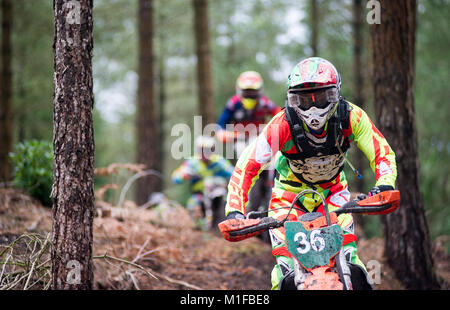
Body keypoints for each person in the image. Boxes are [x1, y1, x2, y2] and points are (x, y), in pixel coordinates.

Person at [219, 57, 397, 289]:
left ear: (336, 93)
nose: (313, 107)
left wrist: (385, 184)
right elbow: (247, 166)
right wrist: (234, 211)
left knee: (351, 261)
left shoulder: (351, 116)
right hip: (288, 196)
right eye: (303, 99)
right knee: (285, 268)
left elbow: (381, 152)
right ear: (292, 99)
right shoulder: (281, 124)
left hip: (334, 194)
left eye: (321, 97)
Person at [216, 71, 281, 219]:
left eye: (253, 93)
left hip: (262, 141)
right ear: (240, 91)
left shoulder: (265, 103)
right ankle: (237, 201)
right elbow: (220, 127)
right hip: (242, 142)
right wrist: (229, 135)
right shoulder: (233, 104)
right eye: (247, 92)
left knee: (277, 162)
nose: (250, 96)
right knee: (240, 166)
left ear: (259, 91)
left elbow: (281, 116)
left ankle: (275, 193)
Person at [171, 136, 234, 230]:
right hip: (199, 195)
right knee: (193, 205)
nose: (205, 153)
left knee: (225, 204)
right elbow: (175, 177)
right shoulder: (192, 162)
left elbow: (234, 173)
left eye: (208, 150)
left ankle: (222, 228)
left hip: (218, 194)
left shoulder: (219, 162)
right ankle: (197, 230)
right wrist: (184, 175)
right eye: (202, 150)